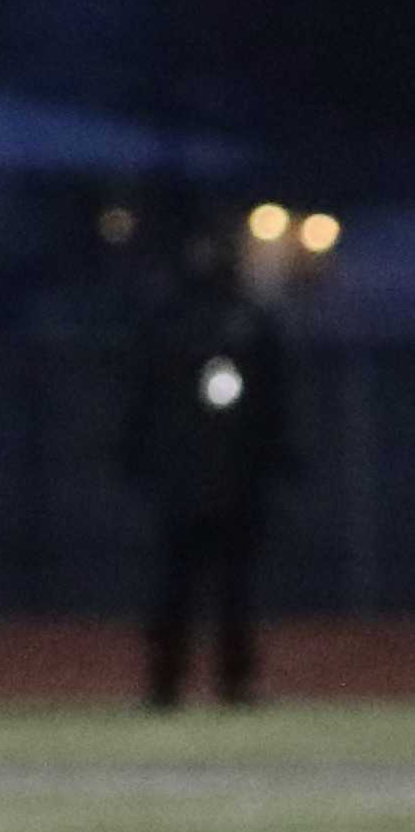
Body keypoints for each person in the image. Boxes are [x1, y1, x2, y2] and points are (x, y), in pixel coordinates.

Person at [123, 225, 296, 708]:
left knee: (219, 587)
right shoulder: (184, 322)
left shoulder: (202, 322)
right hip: (205, 479)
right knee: (191, 586)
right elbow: (143, 400)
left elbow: (271, 405)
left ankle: (203, 683)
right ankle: (177, 682)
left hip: (218, 478)